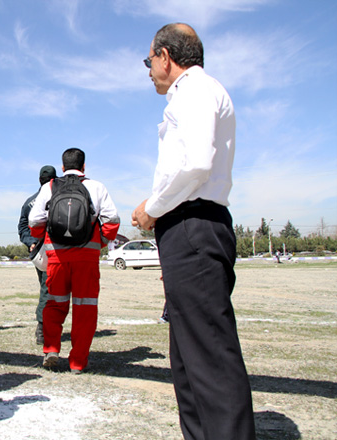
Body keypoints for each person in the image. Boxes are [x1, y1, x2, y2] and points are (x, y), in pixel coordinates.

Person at [131, 23, 255, 439]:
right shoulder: (191, 93)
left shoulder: (196, 90)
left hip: (192, 223)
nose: (149, 70)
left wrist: (153, 208)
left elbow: (196, 163)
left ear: (166, 57)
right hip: (186, 225)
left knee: (209, 357)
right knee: (187, 359)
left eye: (150, 61)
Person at [29, 148, 120, 373]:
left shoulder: (49, 187)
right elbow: (112, 220)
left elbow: (35, 221)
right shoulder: (97, 187)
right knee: (85, 309)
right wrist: (101, 242)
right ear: (84, 166)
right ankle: (78, 362)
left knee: (54, 304)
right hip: (86, 259)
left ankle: (51, 349)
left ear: (62, 167)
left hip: (57, 258)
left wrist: (46, 238)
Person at [18, 165, 57, 345]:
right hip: (48, 252)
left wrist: (29, 241)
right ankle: (42, 329)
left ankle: (47, 326)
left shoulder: (29, 201)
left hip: (41, 251)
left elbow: (22, 228)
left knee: (49, 289)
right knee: (47, 288)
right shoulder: (59, 197)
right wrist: (32, 242)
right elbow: (24, 227)